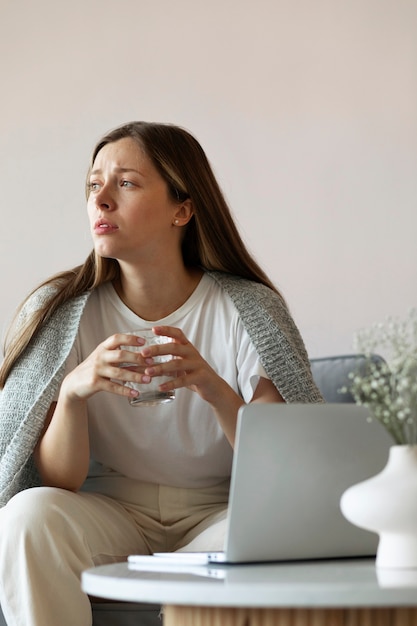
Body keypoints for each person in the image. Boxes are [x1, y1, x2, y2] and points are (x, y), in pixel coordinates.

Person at [0, 121, 323, 626]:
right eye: (93, 184)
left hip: (219, 515)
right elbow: (57, 481)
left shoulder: (248, 310)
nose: (101, 200)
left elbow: (278, 467)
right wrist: (72, 394)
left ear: (183, 209)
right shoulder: (61, 313)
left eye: (125, 183)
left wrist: (214, 389)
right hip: (110, 515)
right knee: (26, 517)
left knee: (291, 530)